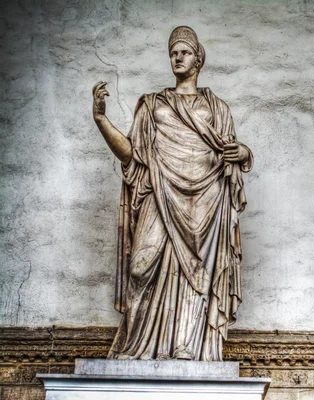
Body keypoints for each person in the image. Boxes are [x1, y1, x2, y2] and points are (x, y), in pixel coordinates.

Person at [92, 26, 253, 361]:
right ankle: (137, 344)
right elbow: (132, 154)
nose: (177, 57)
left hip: (206, 197)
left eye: (184, 52)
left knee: (198, 270)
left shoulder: (217, 107)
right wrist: (101, 120)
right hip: (160, 190)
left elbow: (232, 150)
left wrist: (245, 153)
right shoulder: (153, 105)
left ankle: (185, 344)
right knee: (140, 266)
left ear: (198, 59)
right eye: (173, 52)